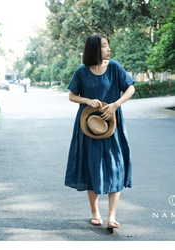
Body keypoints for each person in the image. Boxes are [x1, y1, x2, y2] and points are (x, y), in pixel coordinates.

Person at [65, 34, 135, 229]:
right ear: (95, 49)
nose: (108, 49)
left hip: (112, 125)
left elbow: (130, 89)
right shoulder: (81, 72)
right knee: (92, 166)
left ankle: (112, 216)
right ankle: (95, 212)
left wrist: (115, 105)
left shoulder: (114, 67)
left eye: (108, 45)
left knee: (116, 167)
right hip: (89, 126)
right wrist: (87, 100)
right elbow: (71, 95)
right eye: (104, 46)